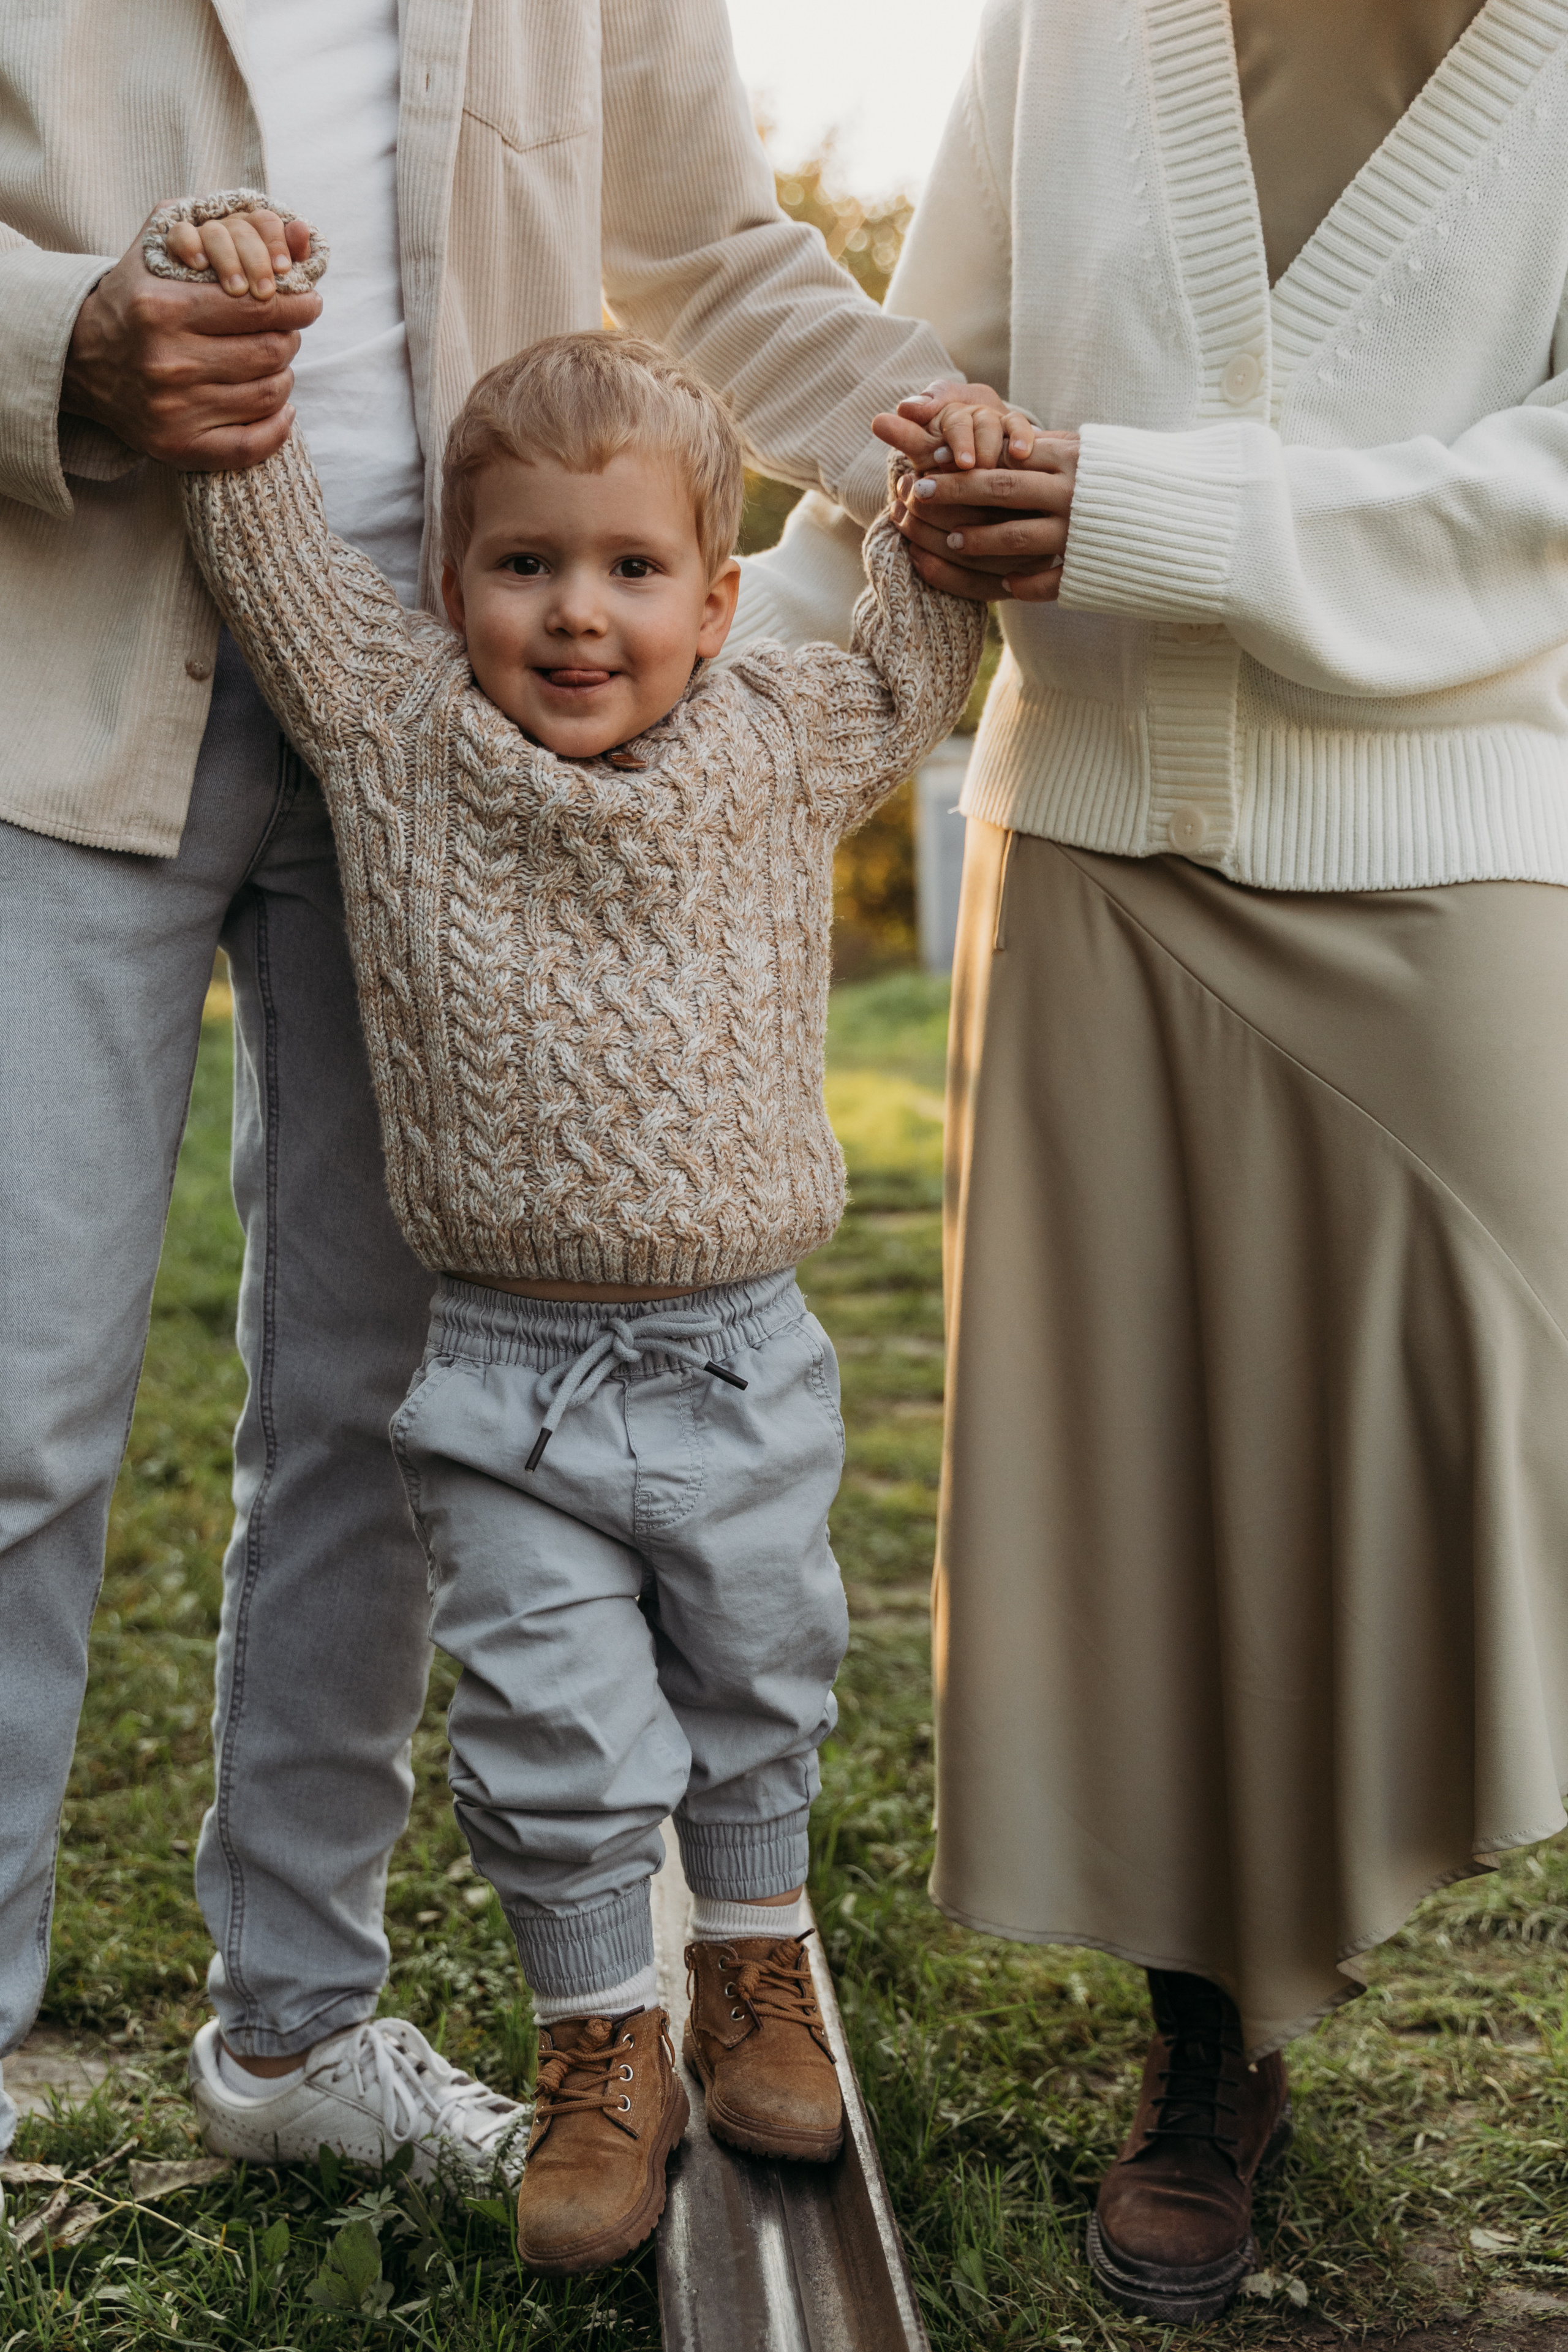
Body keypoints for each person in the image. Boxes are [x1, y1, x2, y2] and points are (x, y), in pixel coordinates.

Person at [0, 0, 1000, 2171]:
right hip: (54, 674)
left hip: (480, 745)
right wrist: (62, 336)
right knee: (13, 1408)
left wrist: (935, 435)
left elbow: (715, 250)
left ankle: (295, 2033)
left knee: (379, 1412)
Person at [758, 0, 1568, 2324]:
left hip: (1464, 845)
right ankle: (1209, 2047)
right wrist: (733, 726)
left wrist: (1166, 515)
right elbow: (927, 377)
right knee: (1166, 1489)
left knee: (1493, 1435)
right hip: (1096, 830)